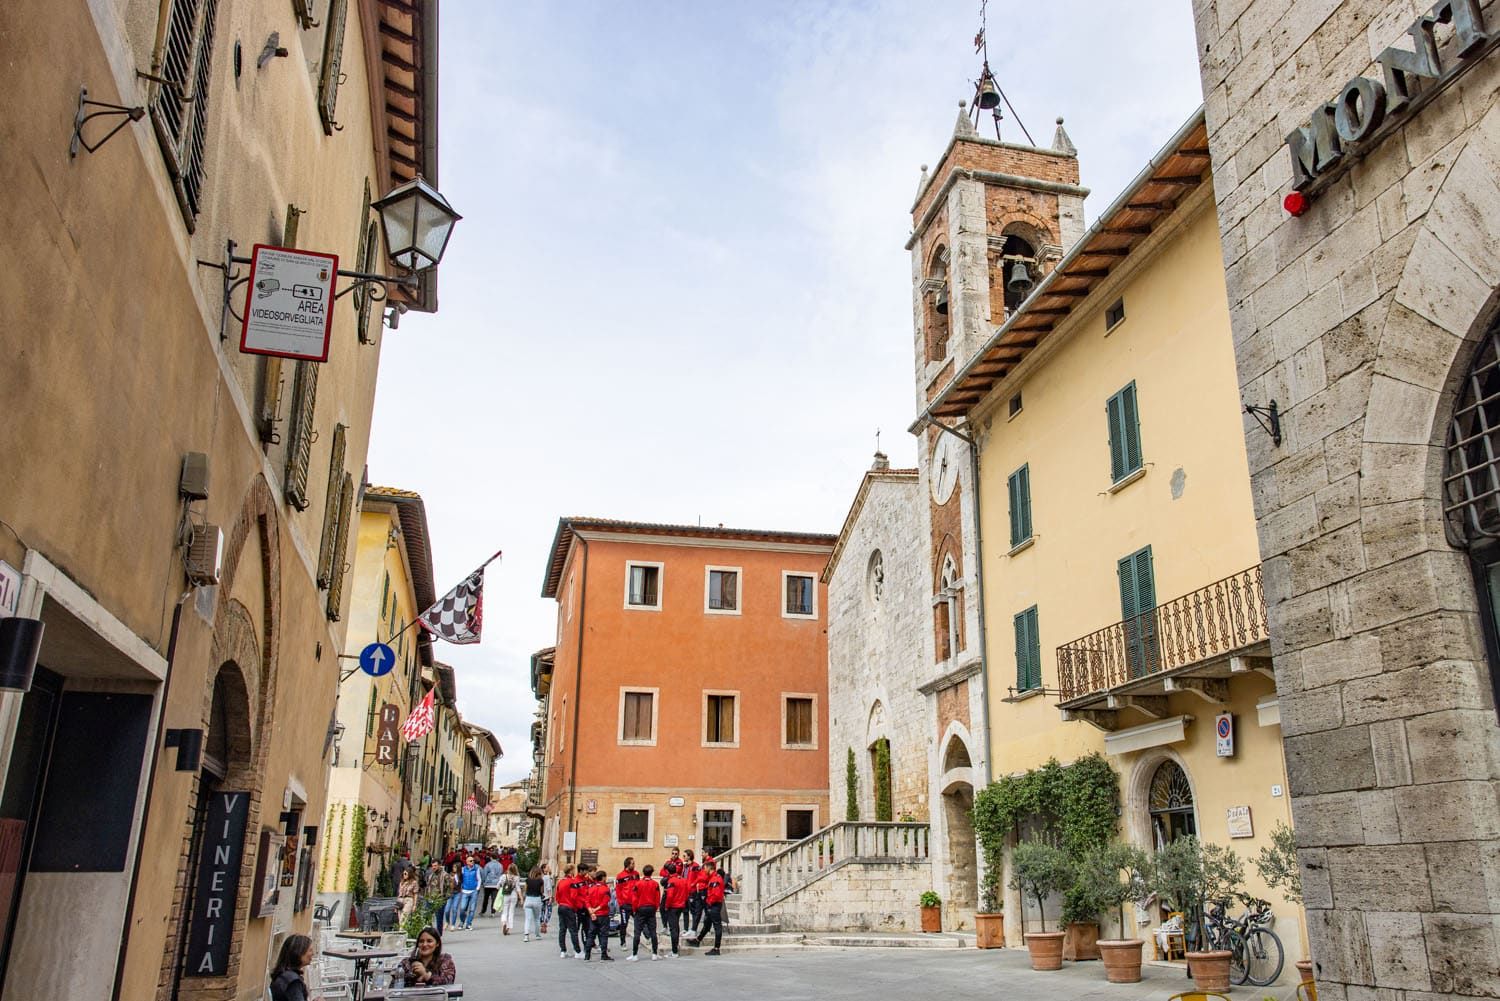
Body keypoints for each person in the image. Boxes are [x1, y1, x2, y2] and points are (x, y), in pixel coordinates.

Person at [628, 864, 662, 961]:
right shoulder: (655, 884)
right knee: (653, 931)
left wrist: (634, 910)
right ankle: (654, 954)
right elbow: (657, 897)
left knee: (637, 932)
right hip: (651, 908)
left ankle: (634, 955)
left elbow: (634, 899)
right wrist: (655, 908)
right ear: (652, 873)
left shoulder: (638, 884)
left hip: (640, 908)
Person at [269, 933, 314, 1001]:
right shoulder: (293, 982)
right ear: (299, 952)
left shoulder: (285, 975)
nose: (312, 953)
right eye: (310, 950)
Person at [582, 869, 613, 961]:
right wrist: (596, 909)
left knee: (591, 934)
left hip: (593, 915)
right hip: (603, 914)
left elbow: (586, 901)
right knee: (603, 934)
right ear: (603, 878)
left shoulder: (590, 888)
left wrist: (591, 911)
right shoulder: (606, 889)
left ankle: (587, 955)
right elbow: (605, 902)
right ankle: (604, 955)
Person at [661, 863, 690, 958]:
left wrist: (666, 906)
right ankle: (675, 948)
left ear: (668, 872)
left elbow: (669, 896)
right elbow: (687, 892)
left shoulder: (671, 881)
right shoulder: (683, 880)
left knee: (673, 928)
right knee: (676, 927)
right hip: (681, 905)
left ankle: (674, 951)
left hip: (673, 906)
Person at [699, 858, 726, 956]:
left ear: (709, 868)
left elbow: (716, 894)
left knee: (717, 926)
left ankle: (716, 948)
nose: (704, 870)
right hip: (712, 905)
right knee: (707, 924)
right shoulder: (712, 878)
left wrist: (709, 903)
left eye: (705, 868)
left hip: (714, 905)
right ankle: (698, 940)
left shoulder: (715, 879)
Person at [555, 864, 583, 958]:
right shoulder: (572, 882)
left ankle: (563, 950)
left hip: (561, 906)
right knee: (573, 930)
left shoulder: (560, 882)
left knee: (562, 929)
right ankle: (577, 951)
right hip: (569, 907)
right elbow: (574, 897)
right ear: (571, 871)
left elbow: (557, 896)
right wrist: (577, 906)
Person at [615, 857, 639, 946]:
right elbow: (618, 890)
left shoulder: (636, 874)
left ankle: (646, 937)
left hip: (635, 903)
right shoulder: (620, 876)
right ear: (628, 865)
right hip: (625, 904)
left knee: (639, 921)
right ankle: (623, 942)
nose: (634, 865)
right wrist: (621, 903)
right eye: (632, 863)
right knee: (624, 923)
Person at [426, 860, 451, 934]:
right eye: (432, 866)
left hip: (440, 899)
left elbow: (450, 887)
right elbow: (428, 886)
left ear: (439, 865)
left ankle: (439, 934)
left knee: (439, 918)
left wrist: (445, 897)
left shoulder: (445, 875)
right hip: (430, 898)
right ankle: (430, 932)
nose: (433, 867)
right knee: (427, 916)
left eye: (435, 866)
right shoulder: (431, 875)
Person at [522, 864, 546, 942]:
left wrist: (523, 899)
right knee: (536, 918)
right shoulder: (541, 881)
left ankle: (526, 936)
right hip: (537, 899)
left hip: (528, 899)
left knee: (527, 919)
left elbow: (525, 891)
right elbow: (542, 891)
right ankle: (537, 935)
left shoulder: (527, 880)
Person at [458, 855, 481, 929]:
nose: (473, 862)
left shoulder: (476, 869)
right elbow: (459, 879)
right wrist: (460, 887)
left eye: (473, 860)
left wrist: (477, 888)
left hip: (473, 891)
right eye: (471, 861)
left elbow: (479, 879)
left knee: (472, 909)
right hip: (465, 891)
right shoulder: (463, 869)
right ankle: (462, 921)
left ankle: (468, 924)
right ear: (467, 862)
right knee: (462, 908)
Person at [498, 863, 520, 935]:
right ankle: (508, 928)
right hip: (513, 895)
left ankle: (504, 922)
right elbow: (518, 888)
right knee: (511, 912)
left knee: (505, 911)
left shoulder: (504, 876)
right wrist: (521, 898)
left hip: (506, 895)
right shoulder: (516, 877)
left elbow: (498, 886)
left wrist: (501, 887)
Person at [443, 862, 464, 930]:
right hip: (450, 893)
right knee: (447, 910)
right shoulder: (450, 874)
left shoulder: (461, 875)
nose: (453, 868)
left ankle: (453, 924)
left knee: (454, 909)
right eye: (453, 867)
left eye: (455, 867)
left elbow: (462, 883)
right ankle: (447, 921)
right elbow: (446, 883)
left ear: (458, 868)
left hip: (457, 893)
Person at [540, 863, 555, 934]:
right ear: (544, 869)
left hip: (541, 896)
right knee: (549, 910)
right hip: (547, 896)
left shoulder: (541, 877)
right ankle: (545, 922)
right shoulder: (547, 877)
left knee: (542, 910)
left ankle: (542, 922)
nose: (549, 868)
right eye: (547, 867)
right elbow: (549, 887)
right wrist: (550, 897)